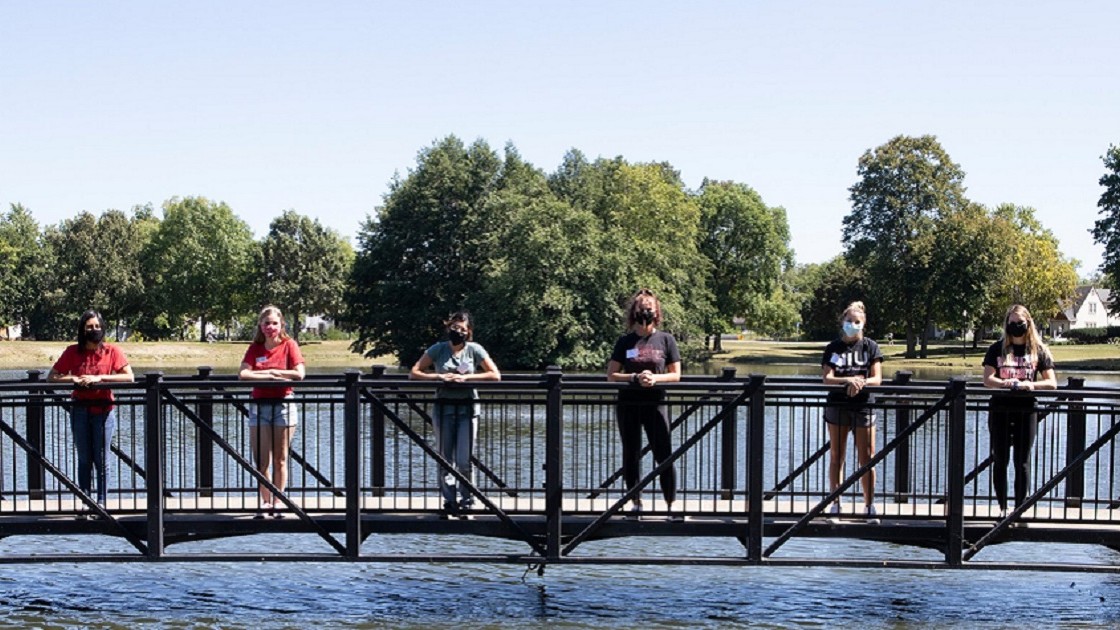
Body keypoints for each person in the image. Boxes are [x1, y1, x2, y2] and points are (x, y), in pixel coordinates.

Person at [410, 311, 501, 519]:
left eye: (461, 328)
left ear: (468, 331)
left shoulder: (474, 350)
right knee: (444, 459)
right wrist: (439, 377)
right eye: (454, 327)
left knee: (463, 460)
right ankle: (449, 501)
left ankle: (467, 501)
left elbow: (495, 375)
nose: (457, 331)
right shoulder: (438, 349)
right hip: (443, 409)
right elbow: (414, 372)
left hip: (468, 410)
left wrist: (467, 379)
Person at [48, 310, 134, 519]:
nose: (93, 330)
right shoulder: (72, 352)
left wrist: (101, 378)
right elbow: (52, 376)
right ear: (82, 329)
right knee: (84, 457)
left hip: (104, 409)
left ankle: (102, 502)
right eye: (89, 327)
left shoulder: (112, 351)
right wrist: (74, 380)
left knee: (102, 457)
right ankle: (85, 500)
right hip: (79, 409)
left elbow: (129, 377)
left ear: (102, 328)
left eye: (97, 326)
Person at [607, 289, 682, 520]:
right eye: (641, 307)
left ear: (656, 311)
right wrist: (633, 378)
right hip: (629, 404)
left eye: (649, 306)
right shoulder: (625, 341)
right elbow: (611, 375)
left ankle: (671, 503)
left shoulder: (666, 340)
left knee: (664, 455)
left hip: (656, 404)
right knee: (631, 453)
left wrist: (654, 379)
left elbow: (676, 375)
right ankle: (636, 501)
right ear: (634, 312)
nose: (645, 310)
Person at [982, 304, 1057, 519]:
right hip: (1000, 409)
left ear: (1028, 324)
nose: (1016, 327)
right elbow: (988, 379)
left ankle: (1019, 509)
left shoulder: (1038, 351)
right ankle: (1002, 507)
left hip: (1027, 410)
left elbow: (1052, 383)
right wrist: (1006, 383)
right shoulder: (997, 349)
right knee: (1001, 458)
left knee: (1022, 460)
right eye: (1012, 323)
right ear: (1006, 325)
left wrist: (1029, 385)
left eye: (1020, 323)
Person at [239, 305, 305, 519]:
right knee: (261, 461)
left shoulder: (289, 345)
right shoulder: (255, 348)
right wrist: (269, 376)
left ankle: (279, 501)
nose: (270, 327)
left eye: (274, 323)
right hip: (259, 407)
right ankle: (265, 502)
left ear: (281, 325)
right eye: (266, 323)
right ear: (260, 325)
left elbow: (299, 374)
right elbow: (243, 374)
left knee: (281, 459)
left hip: (284, 405)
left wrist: (276, 372)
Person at [821, 301, 883, 522]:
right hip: (838, 406)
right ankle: (835, 502)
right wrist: (849, 379)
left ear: (863, 324)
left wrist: (861, 383)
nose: (853, 325)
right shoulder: (834, 348)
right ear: (842, 322)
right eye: (849, 321)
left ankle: (869, 505)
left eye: (857, 322)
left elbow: (877, 378)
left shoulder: (870, 347)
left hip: (864, 406)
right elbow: (828, 378)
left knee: (867, 457)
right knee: (838, 455)